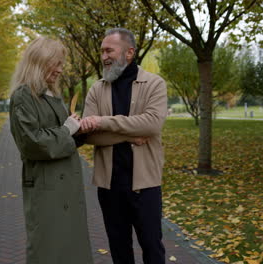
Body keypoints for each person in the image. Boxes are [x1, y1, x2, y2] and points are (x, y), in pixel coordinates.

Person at [81, 28, 168, 264]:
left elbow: (151, 125)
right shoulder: (97, 89)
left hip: (145, 184)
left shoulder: (154, 84)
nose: (103, 56)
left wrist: (104, 122)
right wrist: (128, 135)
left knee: (152, 247)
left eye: (109, 50)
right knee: (119, 250)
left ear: (129, 52)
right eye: (101, 51)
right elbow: (87, 135)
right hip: (109, 186)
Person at [9, 36, 92, 264]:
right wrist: (67, 130)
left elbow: (63, 135)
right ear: (39, 62)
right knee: (48, 249)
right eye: (55, 63)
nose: (60, 70)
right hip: (46, 187)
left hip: (66, 186)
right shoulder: (23, 96)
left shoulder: (53, 96)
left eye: (61, 64)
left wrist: (80, 130)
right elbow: (32, 143)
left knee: (71, 248)